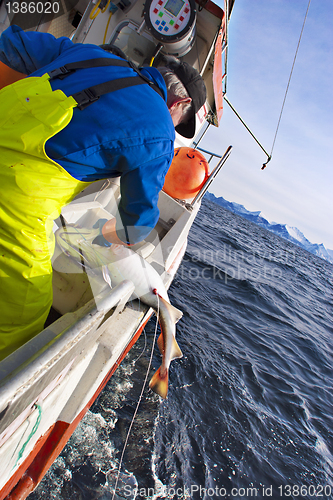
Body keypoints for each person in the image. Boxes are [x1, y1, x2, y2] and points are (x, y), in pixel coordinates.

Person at [0, 25, 207, 360]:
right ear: (180, 102)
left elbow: (10, 43)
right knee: (24, 312)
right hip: (17, 199)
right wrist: (108, 236)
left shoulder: (90, 54)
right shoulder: (160, 132)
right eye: (181, 121)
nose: (176, 131)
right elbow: (136, 224)